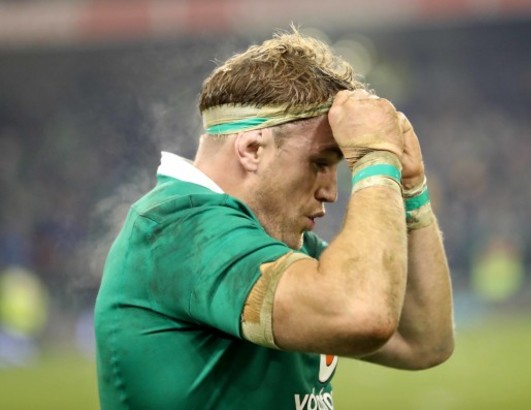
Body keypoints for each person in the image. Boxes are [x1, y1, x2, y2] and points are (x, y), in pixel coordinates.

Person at [94, 28, 454, 410]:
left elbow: (424, 342)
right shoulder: (178, 227)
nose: (331, 191)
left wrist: (411, 192)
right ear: (252, 149)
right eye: (320, 163)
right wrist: (374, 161)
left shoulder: (273, 244)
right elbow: (360, 313)